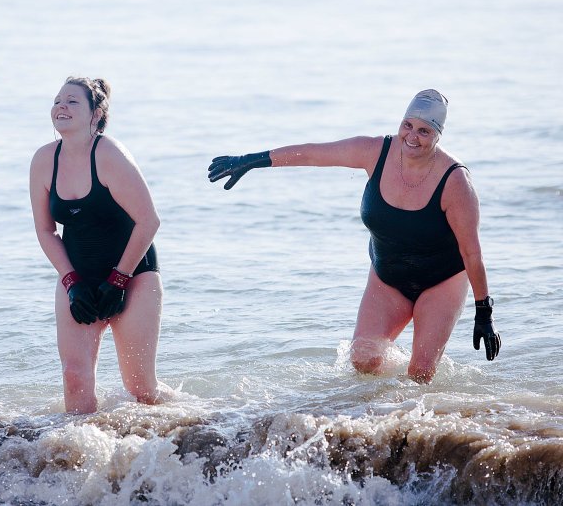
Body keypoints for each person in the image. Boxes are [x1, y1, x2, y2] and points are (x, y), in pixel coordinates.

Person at [208, 89, 501, 383]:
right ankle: (378, 406)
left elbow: (472, 253)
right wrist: (252, 160)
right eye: (407, 125)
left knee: (420, 373)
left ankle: (418, 408)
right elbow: (313, 154)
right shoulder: (375, 151)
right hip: (388, 279)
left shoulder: (455, 181)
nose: (412, 136)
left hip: (441, 282)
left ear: (438, 135)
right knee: (363, 360)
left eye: (424, 131)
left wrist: (484, 313)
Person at [29, 76, 172, 413]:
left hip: (134, 275)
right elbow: (46, 231)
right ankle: (78, 445)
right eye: (57, 100)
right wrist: (72, 282)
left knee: (140, 388)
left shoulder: (109, 154)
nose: (61, 106)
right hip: (80, 277)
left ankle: (188, 425)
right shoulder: (44, 160)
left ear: (95, 113)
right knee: (74, 379)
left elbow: (149, 221)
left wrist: (119, 279)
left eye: (72, 101)